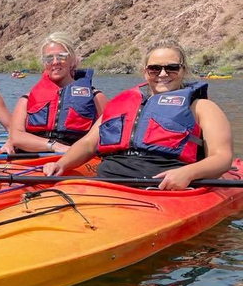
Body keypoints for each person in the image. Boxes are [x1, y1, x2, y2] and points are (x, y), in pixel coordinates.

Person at [43, 39, 233, 190]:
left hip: (164, 186)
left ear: (183, 71)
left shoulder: (201, 107)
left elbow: (222, 157)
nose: (163, 73)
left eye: (172, 68)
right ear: (145, 72)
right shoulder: (121, 104)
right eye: (155, 68)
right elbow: (87, 143)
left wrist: (188, 173)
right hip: (108, 181)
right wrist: (62, 164)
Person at [3, 32, 107, 154]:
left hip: (77, 158)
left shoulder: (96, 98)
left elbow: (109, 133)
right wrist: (54, 146)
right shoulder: (26, 100)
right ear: (44, 63)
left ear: (72, 60)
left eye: (61, 56)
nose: (55, 62)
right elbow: (16, 136)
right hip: (35, 158)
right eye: (49, 58)